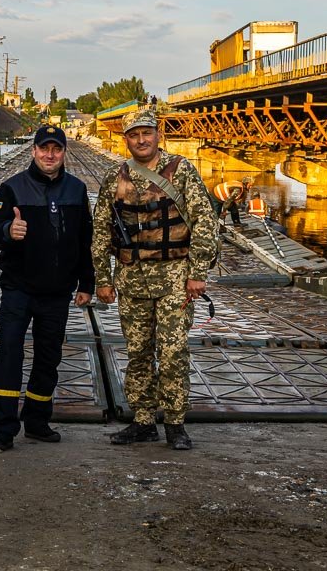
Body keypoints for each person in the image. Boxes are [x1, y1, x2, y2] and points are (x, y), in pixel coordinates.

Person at [91, 109, 218, 450]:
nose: (142, 140)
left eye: (147, 132)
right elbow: (101, 231)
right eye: (134, 135)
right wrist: (103, 279)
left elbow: (205, 222)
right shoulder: (113, 178)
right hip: (132, 280)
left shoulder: (182, 171)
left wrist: (197, 274)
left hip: (176, 278)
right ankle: (143, 419)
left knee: (174, 351)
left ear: (157, 134)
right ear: (126, 139)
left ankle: (175, 423)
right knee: (138, 352)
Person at [0, 125, 94, 451]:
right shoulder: (11, 188)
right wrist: (8, 231)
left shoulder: (77, 189)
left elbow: (84, 240)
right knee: (9, 355)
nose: (49, 154)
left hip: (57, 292)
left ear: (63, 152)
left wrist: (87, 282)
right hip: (18, 289)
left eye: (56, 149)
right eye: (44, 148)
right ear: (33, 151)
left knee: (48, 358)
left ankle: (37, 421)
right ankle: (3, 429)